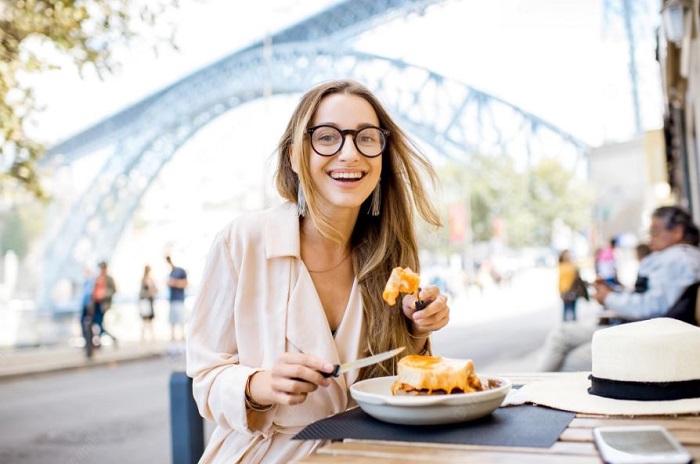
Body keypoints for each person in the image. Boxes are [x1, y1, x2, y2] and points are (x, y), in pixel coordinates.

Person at [186, 79, 449, 463]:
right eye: (327, 138)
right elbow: (205, 380)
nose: (349, 153)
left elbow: (397, 383)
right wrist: (261, 384)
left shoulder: (388, 254)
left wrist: (417, 329)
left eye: (367, 138)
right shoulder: (243, 240)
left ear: (382, 155)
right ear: (295, 155)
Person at [539, 205, 700, 372]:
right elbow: (654, 297)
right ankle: (530, 391)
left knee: (571, 359)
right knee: (562, 335)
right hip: (640, 330)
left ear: (677, 232)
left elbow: (653, 307)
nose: (650, 238)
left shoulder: (678, 259)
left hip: (648, 338)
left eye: (655, 232)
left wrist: (610, 298)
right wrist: (612, 293)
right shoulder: (677, 257)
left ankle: (530, 392)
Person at [91, 261, 118, 347]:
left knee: (99, 322)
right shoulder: (97, 278)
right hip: (95, 304)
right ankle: (99, 341)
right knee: (96, 322)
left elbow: (114, 290)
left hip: (103, 305)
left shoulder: (109, 279)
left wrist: (104, 293)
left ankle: (100, 341)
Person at [557, 250, 585, 321]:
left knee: (574, 306)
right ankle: (565, 322)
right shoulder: (561, 265)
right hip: (565, 289)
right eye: (565, 255)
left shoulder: (572, 264)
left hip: (573, 288)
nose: (567, 256)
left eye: (568, 254)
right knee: (566, 307)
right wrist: (560, 290)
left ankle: (574, 320)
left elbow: (577, 276)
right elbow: (560, 279)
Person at [166, 256, 187, 342]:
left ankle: (182, 335)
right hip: (172, 299)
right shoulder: (171, 272)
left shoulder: (181, 271)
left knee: (181, 319)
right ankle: (173, 336)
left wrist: (174, 283)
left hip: (179, 299)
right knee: (172, 320)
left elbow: (185, 283)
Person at [139, 264, 158, 343]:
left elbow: (156, 290)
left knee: (149, 320)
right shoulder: (144, 280)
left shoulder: (150, 280)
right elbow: (142, 292)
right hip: (145, 301)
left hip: (149, 301)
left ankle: (151, 337)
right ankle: (144, 337)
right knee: (145, 320)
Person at [80, 268, 96, 358]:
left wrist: (89, 310)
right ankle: (88, 347)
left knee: (88, 327)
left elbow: (89, 297)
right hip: (86, 307)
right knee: (86, 327)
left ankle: (89, 349)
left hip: (88, 308)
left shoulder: (90, 283)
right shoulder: (86, 283)